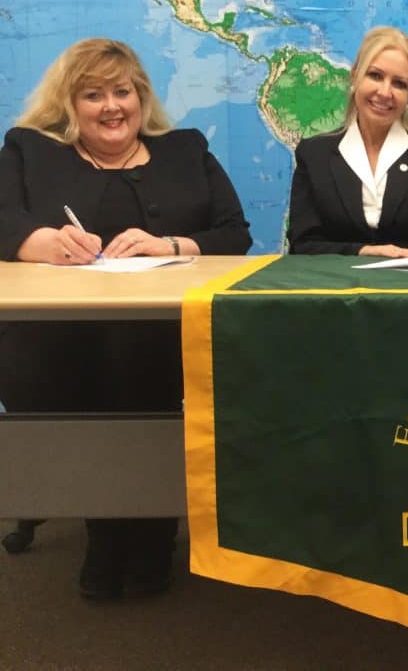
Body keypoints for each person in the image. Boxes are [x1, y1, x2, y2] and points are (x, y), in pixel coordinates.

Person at [0, 38, 252, 599]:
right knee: (100, 374)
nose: (112, 106)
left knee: (138, 362)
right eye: (93, 95)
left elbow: (234, 233)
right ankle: (106, 531)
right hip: (59, 340)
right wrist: (41, 241)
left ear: (141, 97)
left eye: (123, 91)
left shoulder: (185, 149)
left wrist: (169, 243)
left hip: (160, 336)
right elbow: (3, 221)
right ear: (69, 104)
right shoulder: (28, 150)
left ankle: (151, 534)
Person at [287, 26, 408, 258]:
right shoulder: (314, 155)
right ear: (354, 76)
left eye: (399, 83)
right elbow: (302, 245)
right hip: (339, 289)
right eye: (375, 76)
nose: (385, 92)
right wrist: (364, 251)